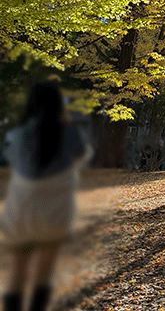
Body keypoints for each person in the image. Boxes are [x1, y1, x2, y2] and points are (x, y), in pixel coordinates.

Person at [0, 82, 92, 311]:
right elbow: (83, 156)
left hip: (21, 211)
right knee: (44, 272)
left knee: (17, 273)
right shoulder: (70, 133)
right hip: (55, 212)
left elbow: (11, 159)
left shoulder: (19, 134)